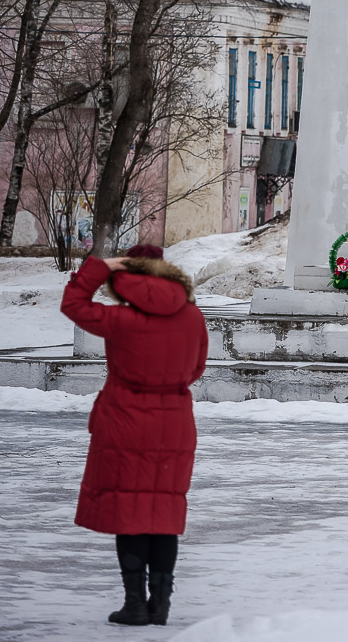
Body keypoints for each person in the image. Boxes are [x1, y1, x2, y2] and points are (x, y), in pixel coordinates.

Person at [60, 243, 208, 627]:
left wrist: (99, 266)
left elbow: (73, 304)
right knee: (163, 512)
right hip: (174, 423)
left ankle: (135, 605)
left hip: (124, 421)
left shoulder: (121, 319)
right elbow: (196, 368)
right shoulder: (193, 316)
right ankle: (161, 605)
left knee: (129, 512)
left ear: (126, 275)